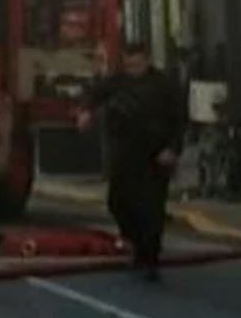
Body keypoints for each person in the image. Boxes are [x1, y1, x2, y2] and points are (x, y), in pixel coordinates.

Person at [77, 42, 185, 282]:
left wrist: (173, 149)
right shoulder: (118, 81)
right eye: (128, 64)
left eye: (136, 64)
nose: (132, 69)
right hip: (125, 153)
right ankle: (135, 242)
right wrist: (86, 112)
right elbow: (97, 94)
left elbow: (179, 119)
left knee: (152, 208)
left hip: (155, 154)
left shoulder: (164, 85)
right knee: (118, 201)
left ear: (146, 61)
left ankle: (150, 259)